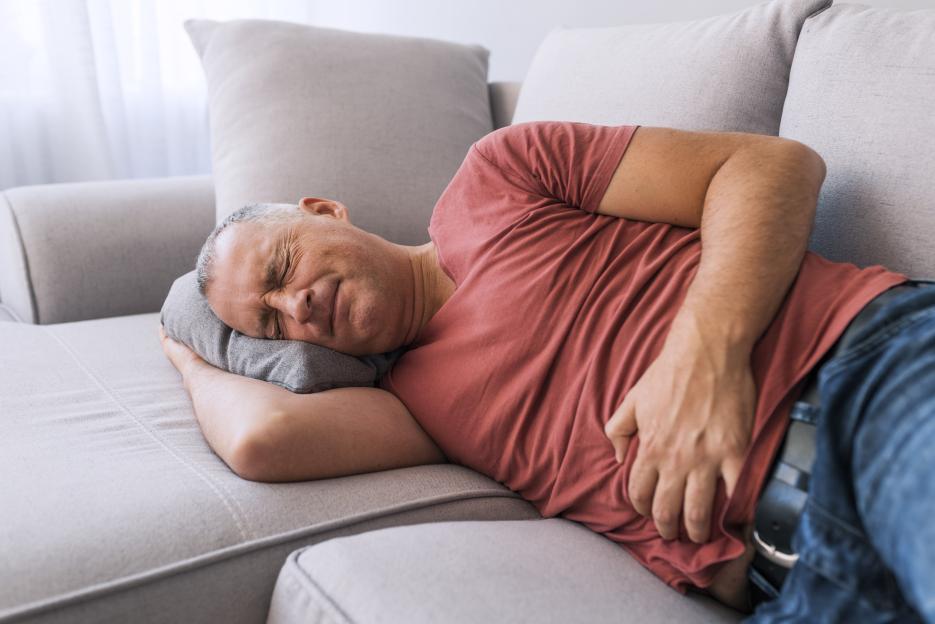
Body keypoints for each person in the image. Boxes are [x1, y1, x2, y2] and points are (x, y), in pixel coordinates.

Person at [159, 121, 935, 622]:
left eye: (283, 267)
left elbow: (770, 165)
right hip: (799, 583)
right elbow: (262, 441)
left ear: (324, 210)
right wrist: (183, 348)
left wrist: (703, 356)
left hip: (864, 380)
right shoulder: (411, 403)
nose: (296, 308)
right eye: (268, 323)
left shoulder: (498, 176)